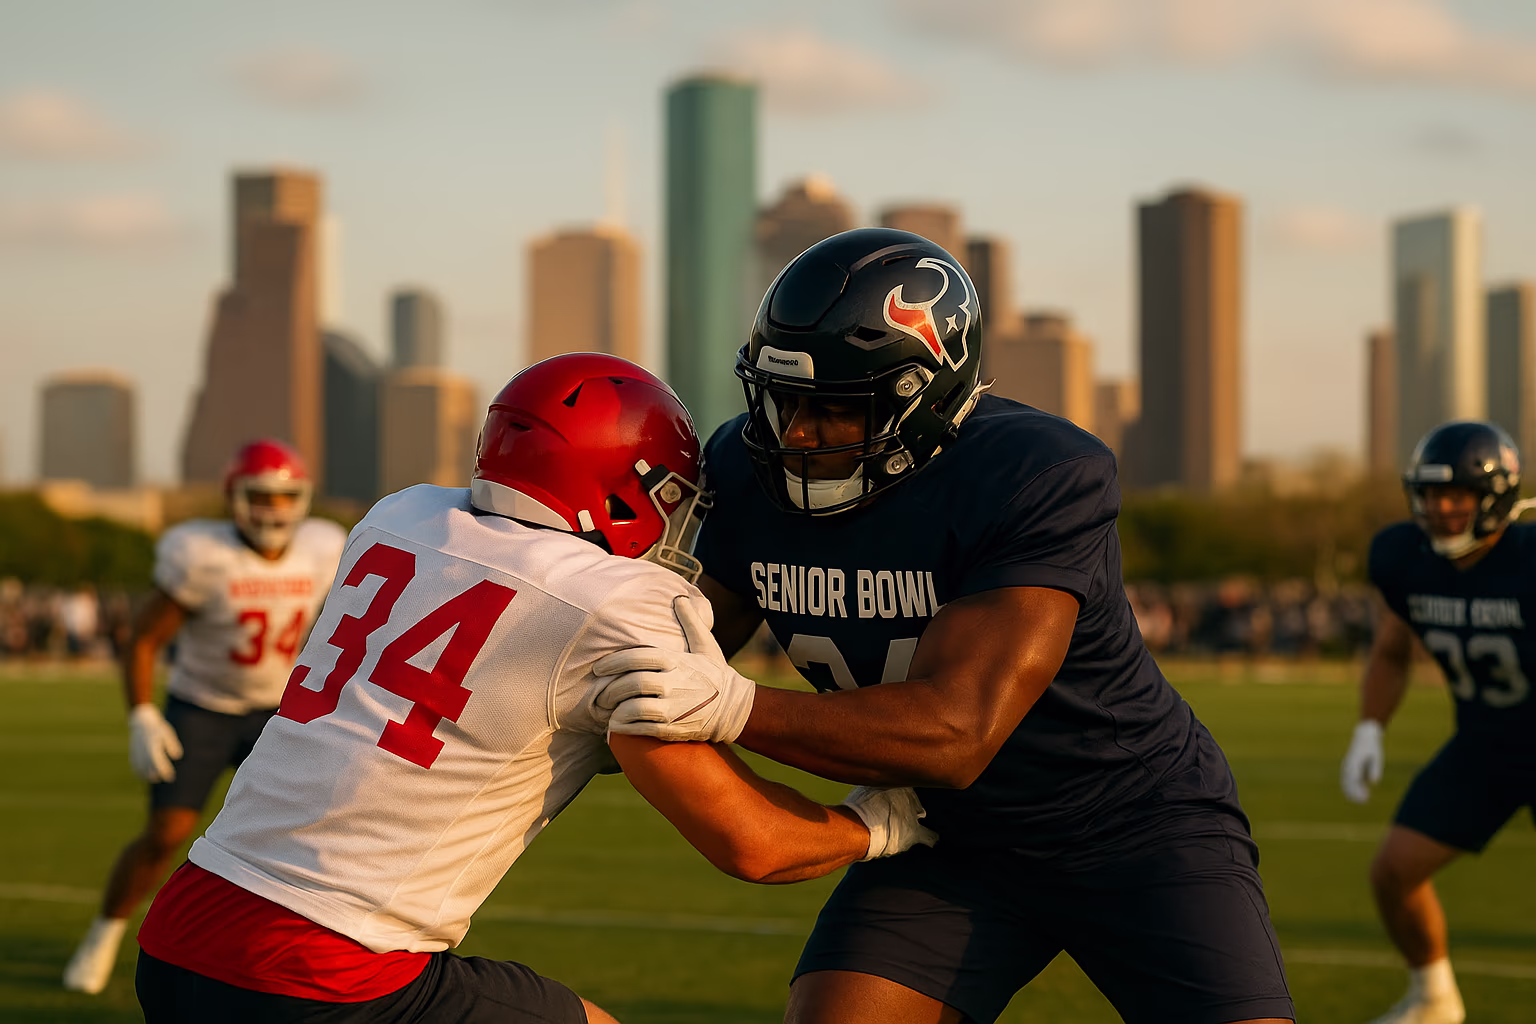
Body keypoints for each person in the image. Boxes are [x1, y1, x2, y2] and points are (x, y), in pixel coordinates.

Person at [598, 228, 1295, 1024]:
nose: (794, 433)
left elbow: (956, 732)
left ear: (926, 399)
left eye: (832, 407)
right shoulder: (743, 470)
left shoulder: (1034, 472)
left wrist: (731, 706)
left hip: (1128, 823)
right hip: (937, 834)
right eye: (782, 397)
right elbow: (672, 654)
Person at [132, 354, 934, 1024]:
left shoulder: (398, 517)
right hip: (329, 970)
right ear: (626, 487)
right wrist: (869, 827)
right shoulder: (616, 603)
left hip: (178, 935)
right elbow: (750, 844)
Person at [63, 439, 346, 995]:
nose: (274, 510)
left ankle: (277, 953)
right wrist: (142, 714)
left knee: (302, 836)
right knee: (165, 833)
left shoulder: (321, 548)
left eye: (286, 497)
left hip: (278, 711)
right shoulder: (201, 553)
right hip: (204, 708)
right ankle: (104, 932)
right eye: (261, 496)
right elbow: (144, 639)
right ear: (234, 498)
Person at [1340, 420, 1535, 1024]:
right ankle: (1434, 998)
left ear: (1495, 498)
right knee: (1394, 873)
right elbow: (1393, 651)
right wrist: (1370, 727)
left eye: (1457, 496)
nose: (1441, 509)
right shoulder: (1406, 559)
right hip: (1486, 745)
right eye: (1430, 495)